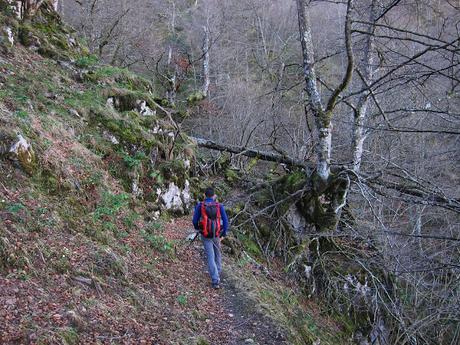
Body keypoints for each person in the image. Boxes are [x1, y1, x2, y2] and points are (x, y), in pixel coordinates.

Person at [192, 187, 229, 289]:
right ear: (213, 196)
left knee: (210, 256)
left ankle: (215, 279)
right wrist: (224, 233)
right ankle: (217, 272)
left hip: (205, 234)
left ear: (204, 195)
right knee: (218, 253)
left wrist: (198, 228)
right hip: (216, 234)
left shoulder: (200, 205)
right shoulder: (219, 206)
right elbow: (225, 221)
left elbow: (195, 220)